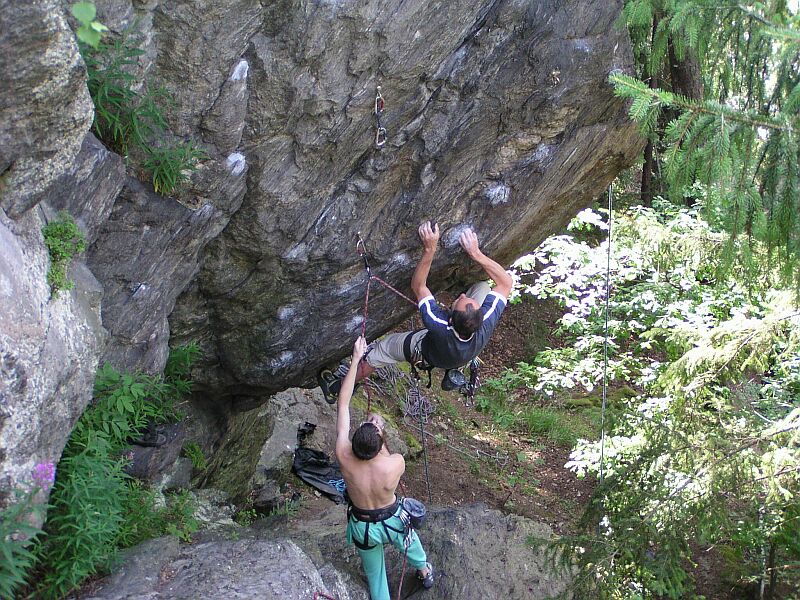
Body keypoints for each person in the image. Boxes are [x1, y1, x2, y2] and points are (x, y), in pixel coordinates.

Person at [319, 221, 513, 401]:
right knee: (482, 288)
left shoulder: (437, 323)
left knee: (384, 349)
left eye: (459, 301)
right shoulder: (485, 321)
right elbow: (505, 283)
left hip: (427, 351)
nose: (462, 296)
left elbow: (418, 286)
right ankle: (455, 361)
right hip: (461, 351)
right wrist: (475, 253)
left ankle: (339, 386)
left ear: (450, 320)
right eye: (464, 298)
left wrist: (429, 249)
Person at [335, 336, 434, 599]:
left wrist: (356, 358)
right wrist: (380, 431)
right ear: (379, 445)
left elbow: (343, 403)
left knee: (375, 575)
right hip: (392, 521)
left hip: (362, 525)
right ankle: (424, 571)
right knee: (412, 546)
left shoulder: (343, 455)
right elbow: (388, 456)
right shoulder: (394, 464)